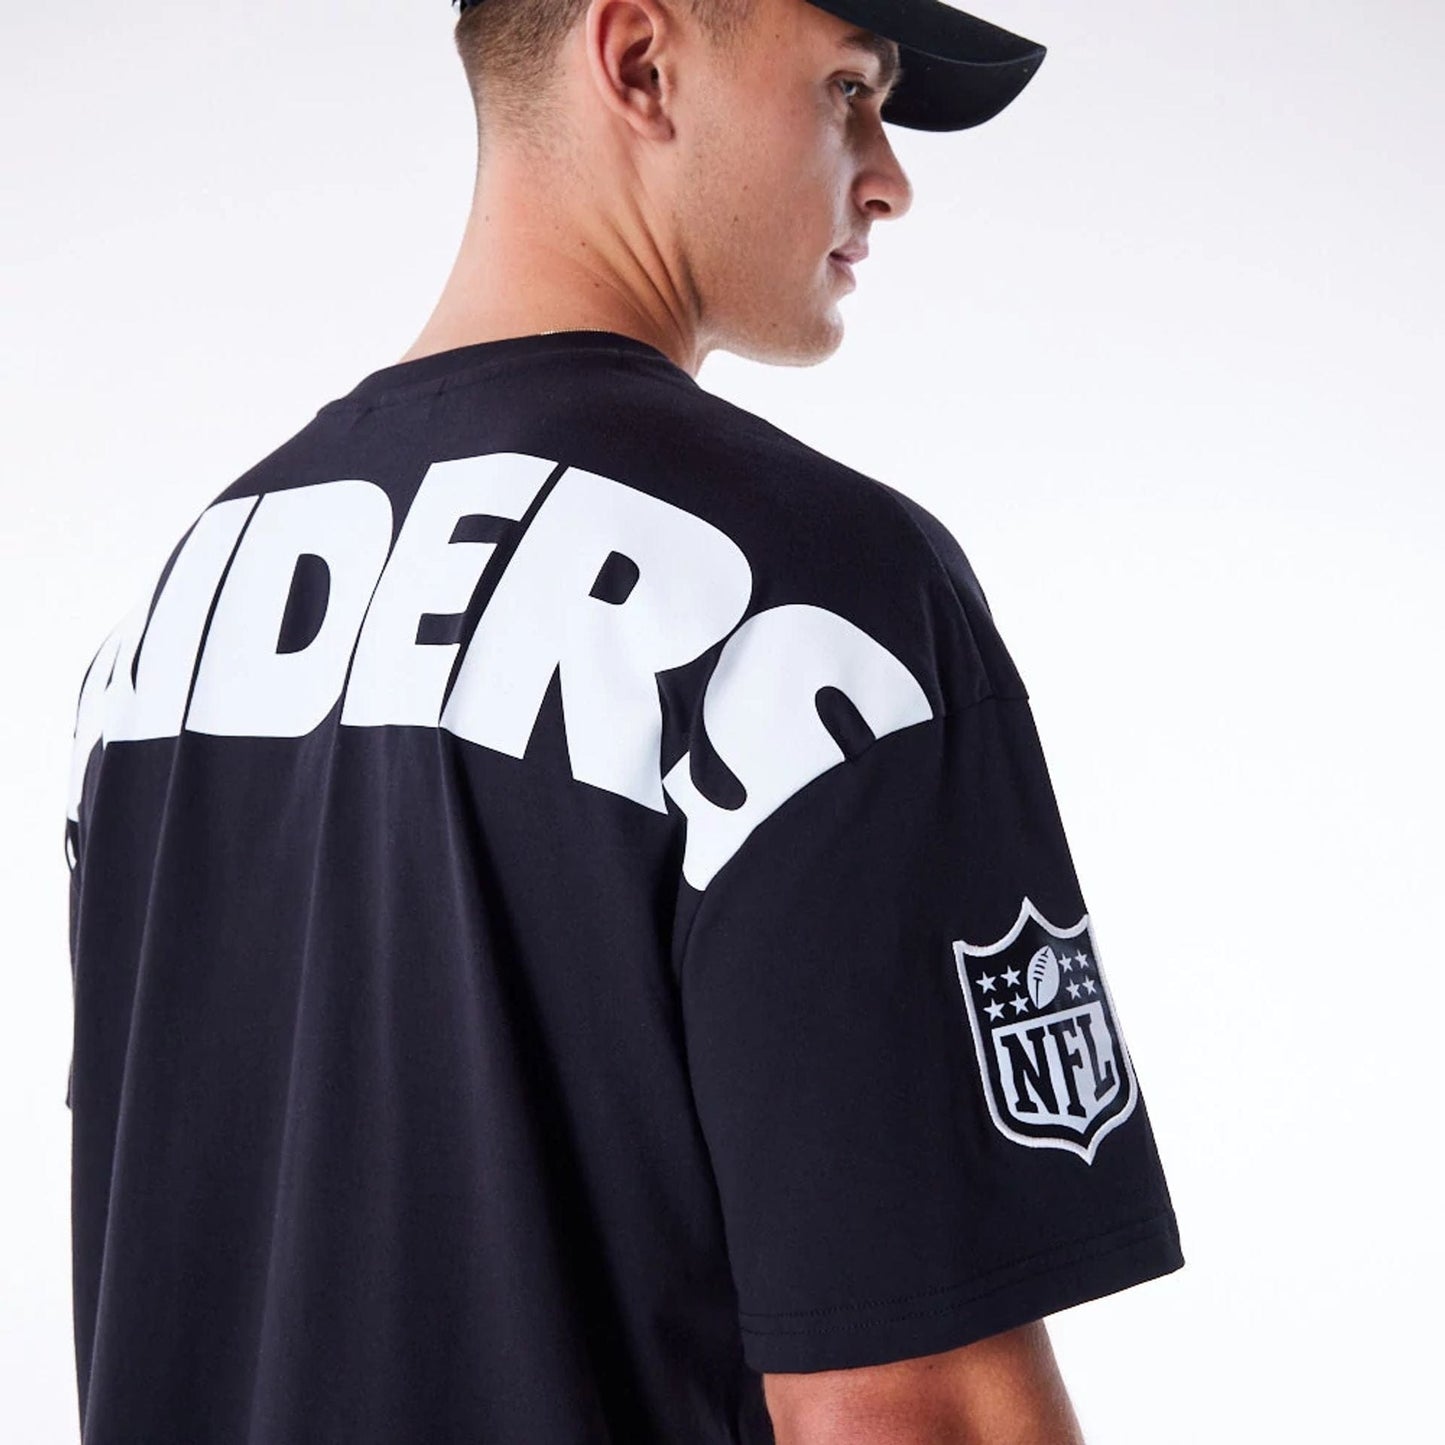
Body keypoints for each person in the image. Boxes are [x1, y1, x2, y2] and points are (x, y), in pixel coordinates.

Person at [62, 1, 1183, 1440]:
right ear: (642, 64)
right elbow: (913, 1406)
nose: (889, 176)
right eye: (848, 89)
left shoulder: (171, 621)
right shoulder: (809, 595)